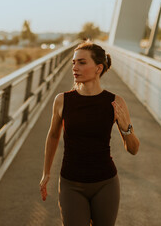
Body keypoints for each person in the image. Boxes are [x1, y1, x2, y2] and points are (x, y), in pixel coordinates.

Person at [39, 41, 140, 226]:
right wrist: (46, 173)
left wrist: (126, 127)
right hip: (71, 184)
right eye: (73, 63)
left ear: (98, 68)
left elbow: (133, 149)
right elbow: (53, 135)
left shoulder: (115, 102)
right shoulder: (62, 100)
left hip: (106, 184)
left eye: (82, 63)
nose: (75, 68)